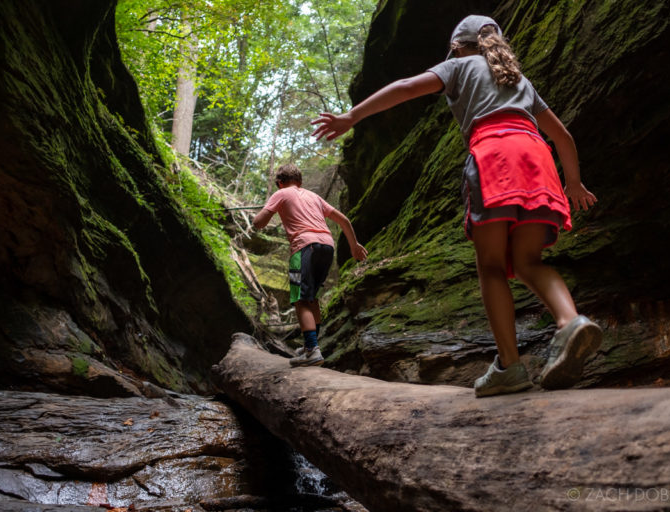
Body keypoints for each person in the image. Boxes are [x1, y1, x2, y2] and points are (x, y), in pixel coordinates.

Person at [311, 15, 601, 396]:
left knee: (493, 266)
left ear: (458, 47)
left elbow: (404, 87)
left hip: (494, 156)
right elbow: (562, 136)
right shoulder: (519, 79)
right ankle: (570, 322)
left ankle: (510, 367)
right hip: (537, 158)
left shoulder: (459, 65)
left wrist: (354, 116)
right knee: (530, 262)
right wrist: (574, 183)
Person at [253, 163, 368, 367]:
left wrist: (261, 214)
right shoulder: (313, 197)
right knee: (312, 298)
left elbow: (259, 223)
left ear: (280, 183)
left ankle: (312, 351)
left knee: (301, 300)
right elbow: (343, 220)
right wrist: (354, 245)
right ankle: (310, 346)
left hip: (304, 248)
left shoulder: (281, 193)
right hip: (326, 246)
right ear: (300, 181)